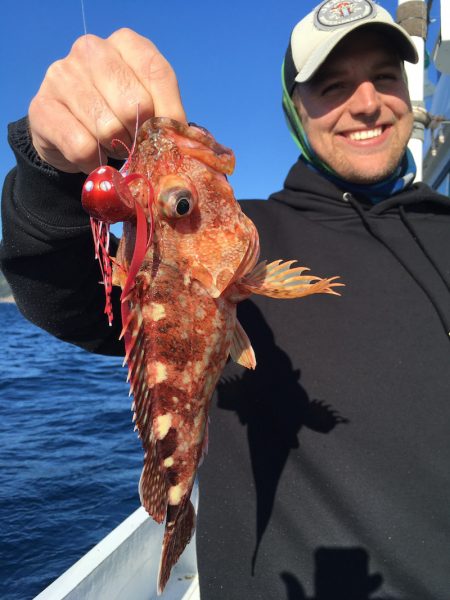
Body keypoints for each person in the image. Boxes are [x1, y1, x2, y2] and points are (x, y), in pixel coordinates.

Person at [1, 0, 449, 598]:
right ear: (295, 107)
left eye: (385, 76)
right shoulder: (248, 235)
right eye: (334, 85)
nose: (366, 102)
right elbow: (58, 293)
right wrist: (52, 170)